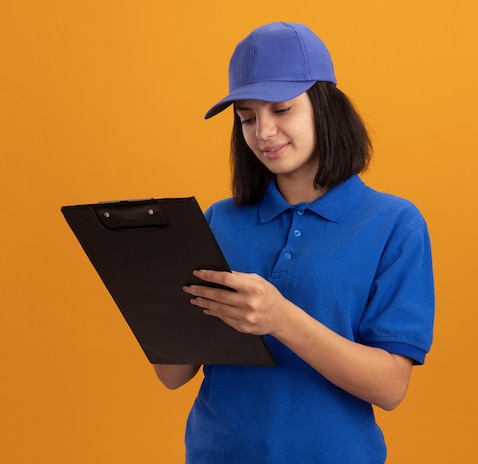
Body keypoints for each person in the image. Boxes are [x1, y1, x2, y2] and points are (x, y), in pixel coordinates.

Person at [154, 22, 435, 463]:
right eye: (247, 117)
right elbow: (172, 375)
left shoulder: (394, 224)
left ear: (325, 107)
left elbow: (391, 387)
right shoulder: (217, 219)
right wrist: (146, 291)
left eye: (281, 110)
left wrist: (280, 317)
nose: (263, 132)